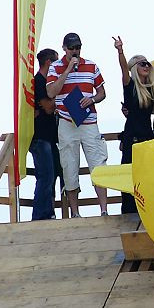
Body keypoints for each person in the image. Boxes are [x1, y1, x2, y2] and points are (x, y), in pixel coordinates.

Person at [46, 32, 109, 218]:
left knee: (98, 164)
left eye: (78, 48)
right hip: (66, 122)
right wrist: (67, 71)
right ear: (64, 48)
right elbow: (51, 92)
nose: (75, 52)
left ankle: (104, 209)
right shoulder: (55, 68)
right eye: (72, 48)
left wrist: (92, 99)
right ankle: (75, 213)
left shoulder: (91, 65)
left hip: (88, 122)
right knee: (69, 166)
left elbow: (102, 92)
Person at [112, 36, 154, 213]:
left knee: (148, 177)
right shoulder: (130, 85)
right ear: (134, 68)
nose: (146, 66)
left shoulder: (150, 88)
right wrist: (120, 51)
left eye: (147, 63)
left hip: (147, 138)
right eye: (141, 64)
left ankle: (147, 210)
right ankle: (129, 211)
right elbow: (123, 69)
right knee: (129, 176)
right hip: (132, 139)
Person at [30, 48, 60, 220]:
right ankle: (41, 214)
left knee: (52, 173)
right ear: (49, 62)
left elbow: (47, 106)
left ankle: (47, 211)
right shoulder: (40, 81)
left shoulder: (42, 81)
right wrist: (58, 101)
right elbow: (49, 108)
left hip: (47, 136)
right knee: (45, 176)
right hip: (40, 136)